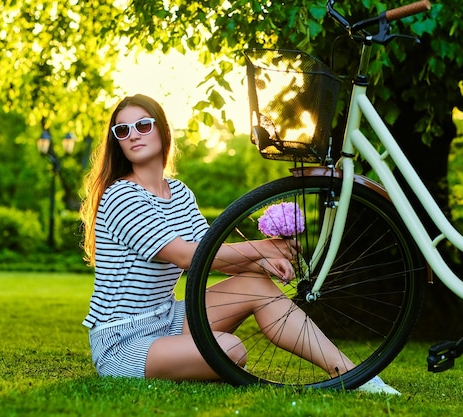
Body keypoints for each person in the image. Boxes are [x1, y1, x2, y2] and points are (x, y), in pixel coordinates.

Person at [79, 93, 399, 394]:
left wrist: (262, 265)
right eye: (122, 130)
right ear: (117, 142)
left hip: (169, 317)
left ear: (162, 130)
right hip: (124, 339)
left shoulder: (179, 192)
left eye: (143, 125)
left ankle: (350, 374)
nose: (133, 134)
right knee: (231, 349)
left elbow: (210, 252)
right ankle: (179, 359)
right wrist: (264, 248)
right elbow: (187, 256)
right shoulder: (121, 195)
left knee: (256, 284)